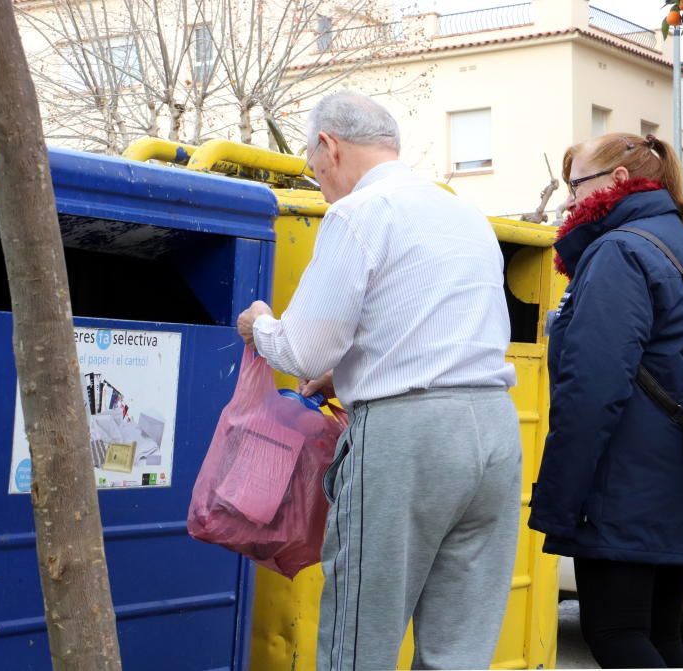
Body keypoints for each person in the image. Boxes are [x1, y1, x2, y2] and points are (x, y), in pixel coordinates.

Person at [235, 91, 522, 670]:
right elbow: (431, 327)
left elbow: (302, 347)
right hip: (494, 431)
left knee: (359, 637)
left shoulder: (360, 212)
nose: (320, 183)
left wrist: (261, 326)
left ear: (327, 146)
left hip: (407, 439)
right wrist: (349, 373)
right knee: (458, 649)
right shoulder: (464, 213)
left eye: (315, 171)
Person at [528, 132, 683, 668]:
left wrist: (561, 496)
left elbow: (593, 385)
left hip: (627, 480)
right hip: (680, 471)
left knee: (617, 634)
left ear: (617, 181)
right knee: (659, 636)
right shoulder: (678, 245)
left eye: (577, 185)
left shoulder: (619, 250)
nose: (570, 200)